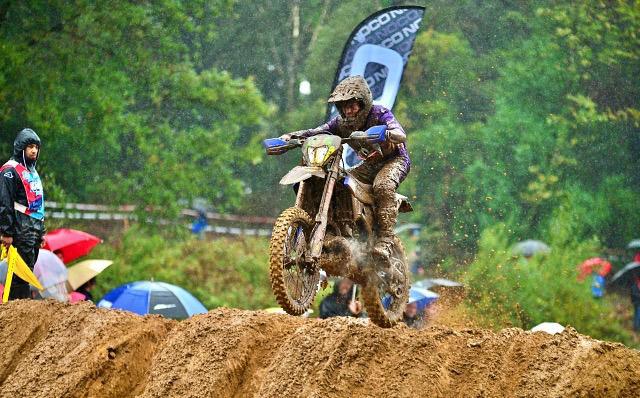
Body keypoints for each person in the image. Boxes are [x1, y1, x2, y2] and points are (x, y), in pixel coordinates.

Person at [281, 75, 410, 262]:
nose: (348, 110)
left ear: (363, 103)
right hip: (369, 165)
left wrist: (388, 133)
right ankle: (340, 229)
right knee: (341, 183)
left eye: (352, 105)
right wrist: (290, 137)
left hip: (394, 160)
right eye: (343, 106)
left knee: (382, 185)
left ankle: (385, 240)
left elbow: (401, 134)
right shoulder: (340, 124)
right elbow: (316, 131)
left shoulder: (379, 114)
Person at [0, 128, 45, 300]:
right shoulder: (10, 171)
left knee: (27, 272)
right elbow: (4, 202)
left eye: (36, 147)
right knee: (20, 274)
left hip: (33, 228)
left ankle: (18, 309)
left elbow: (38, 203)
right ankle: (15, 310)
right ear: (21, 148)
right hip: (19, 228)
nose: (34, 150)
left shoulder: (32, 173)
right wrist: (6, 232)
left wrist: (41, 232)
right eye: (30, 146)